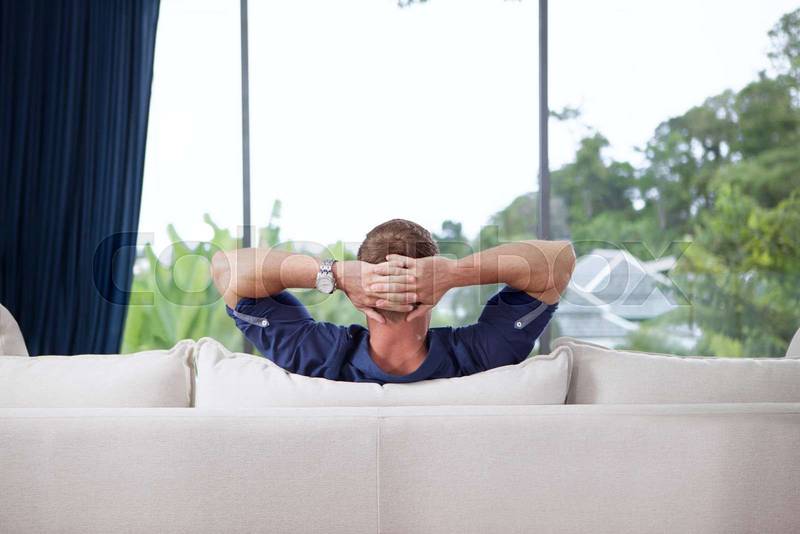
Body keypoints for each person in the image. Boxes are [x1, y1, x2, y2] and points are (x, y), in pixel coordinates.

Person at [211, 218, 575, 384]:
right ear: (432, 293)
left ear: (360, 295)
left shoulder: (315, 356)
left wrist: (336, 274)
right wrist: (454, 273)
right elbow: (558, 261)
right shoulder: (481, 356)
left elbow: (226, 269)